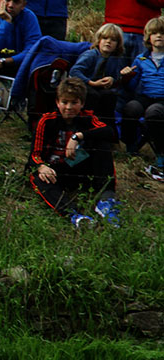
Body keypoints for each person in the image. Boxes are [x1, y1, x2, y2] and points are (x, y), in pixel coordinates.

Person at [29, 77, 119, 227]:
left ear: (82, 103)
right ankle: (75, 216)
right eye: (64, 102)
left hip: (79, 167)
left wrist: (78, 136)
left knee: (102, 143)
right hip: (55, 170)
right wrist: (42, 166)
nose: (69, 107)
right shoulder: (46, 121)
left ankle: (106, 199)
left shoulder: (87, 118)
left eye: (74, 103)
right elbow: (34, 154)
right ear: (57, 102)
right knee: (38, 178)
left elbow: (110, 132)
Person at [119, 17, 164, 174]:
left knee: (154, 113)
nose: (159, 36)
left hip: (162, 100)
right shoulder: (141, 59)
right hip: (144, 96)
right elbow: (131, 87)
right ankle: (131, 146)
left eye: (162, 33)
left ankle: (160, 152)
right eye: (155, 33)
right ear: (148, 37)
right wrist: (126, 77)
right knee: (131, 108)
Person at [69, 23, 129, 129]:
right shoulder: (91, 54)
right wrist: (91, 82)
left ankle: (108, 131)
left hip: (99, 87)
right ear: (99, 40)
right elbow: (75, 71)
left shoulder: (115, 59)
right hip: (82, 85)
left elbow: (115, 79)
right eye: (105, 38)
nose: (108, 42)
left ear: (117, 44)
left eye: (113, 40)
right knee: (93, 95)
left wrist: (112, 79)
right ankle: (85, 128)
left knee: (110, 96)